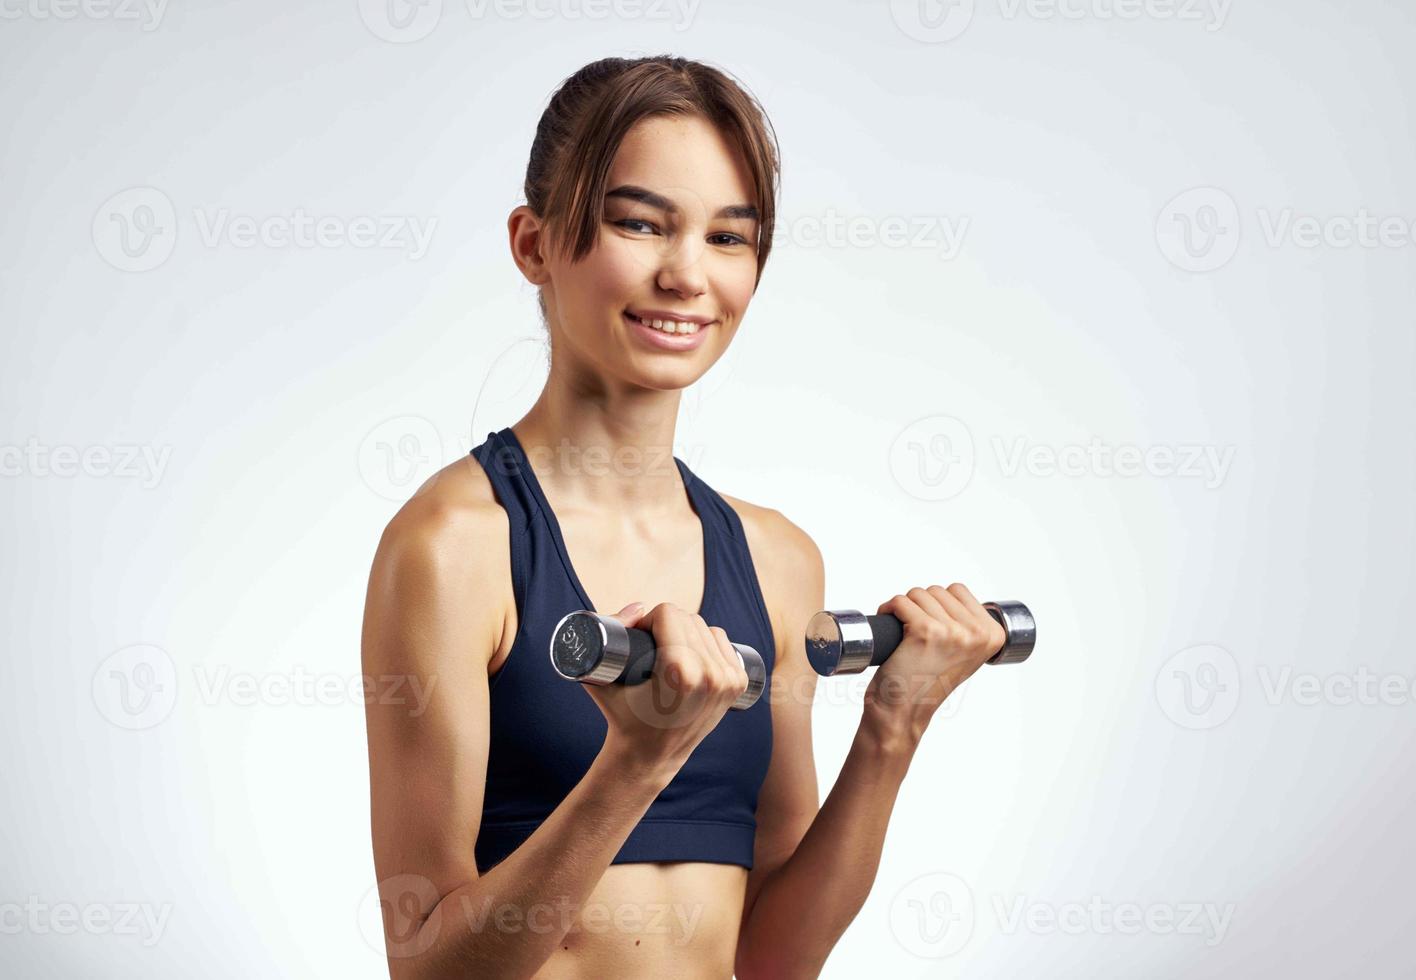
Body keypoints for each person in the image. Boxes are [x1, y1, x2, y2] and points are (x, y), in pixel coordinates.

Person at [360, 54, 1008, 980]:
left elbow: (775, 957)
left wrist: (893, 724)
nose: (686, 275)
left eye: (729, 238)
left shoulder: (778, 562)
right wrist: (636, 761)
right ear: (534, 244)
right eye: (639, 223)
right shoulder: (454, 547)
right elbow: (427, 967)